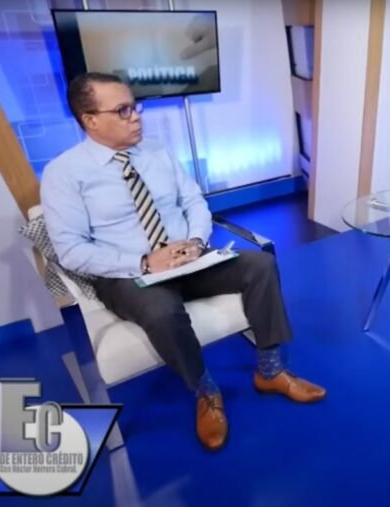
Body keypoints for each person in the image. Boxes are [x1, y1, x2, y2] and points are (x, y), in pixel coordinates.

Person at [41, 72, 326, 451]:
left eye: (135, 106)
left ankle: (271, 372)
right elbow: (71, 250)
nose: (136, 117)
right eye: (123, 110)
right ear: (90, 120)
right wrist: (144, 262)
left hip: (188, 258)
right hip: (127, 275)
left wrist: (195, 241)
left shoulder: (157, 151)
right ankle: (206, 392)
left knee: (259, 265)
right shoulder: (63, 174)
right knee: (161, 311)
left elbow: (193, 201)